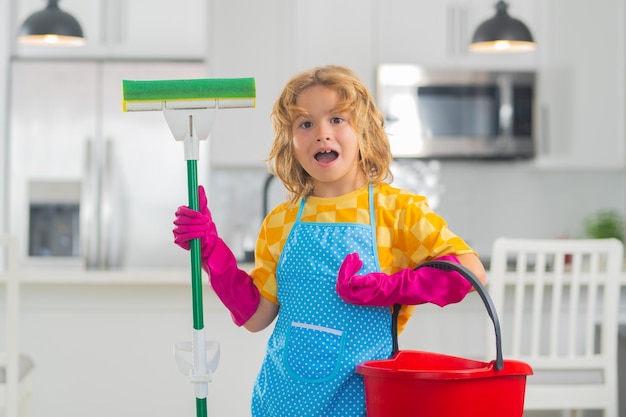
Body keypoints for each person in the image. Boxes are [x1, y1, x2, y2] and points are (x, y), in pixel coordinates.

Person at [172, 65, 487, 417]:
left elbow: (470, 271)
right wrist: (212, 252)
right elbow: (256, 316)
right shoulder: (281, 220)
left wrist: (390, 287)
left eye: (337, 119)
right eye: (305, 124)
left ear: (363, 131)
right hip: (283, 400)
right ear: (291, 142)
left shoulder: (396, 211)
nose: (322, 133)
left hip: (364, 400)